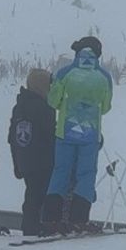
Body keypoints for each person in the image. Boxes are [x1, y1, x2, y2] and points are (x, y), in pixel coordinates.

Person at [40, 36, 113, 235]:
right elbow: (106, 107)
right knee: (86, 176)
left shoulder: (65, 73)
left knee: (60, 172)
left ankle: (51, 218)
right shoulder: (104, 77)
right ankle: (79, 219)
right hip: (90, 135)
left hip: (65, 132)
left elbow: (53, 102)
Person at [9, 68, 56, 237]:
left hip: (25, 159)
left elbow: (12, 137)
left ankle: (30, 225)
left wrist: (17, 162)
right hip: (41, 159)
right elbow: (51, 134)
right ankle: (35, 227)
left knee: (32, 193)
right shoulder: (43, 108)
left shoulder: (20, 106)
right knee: (39, 195)